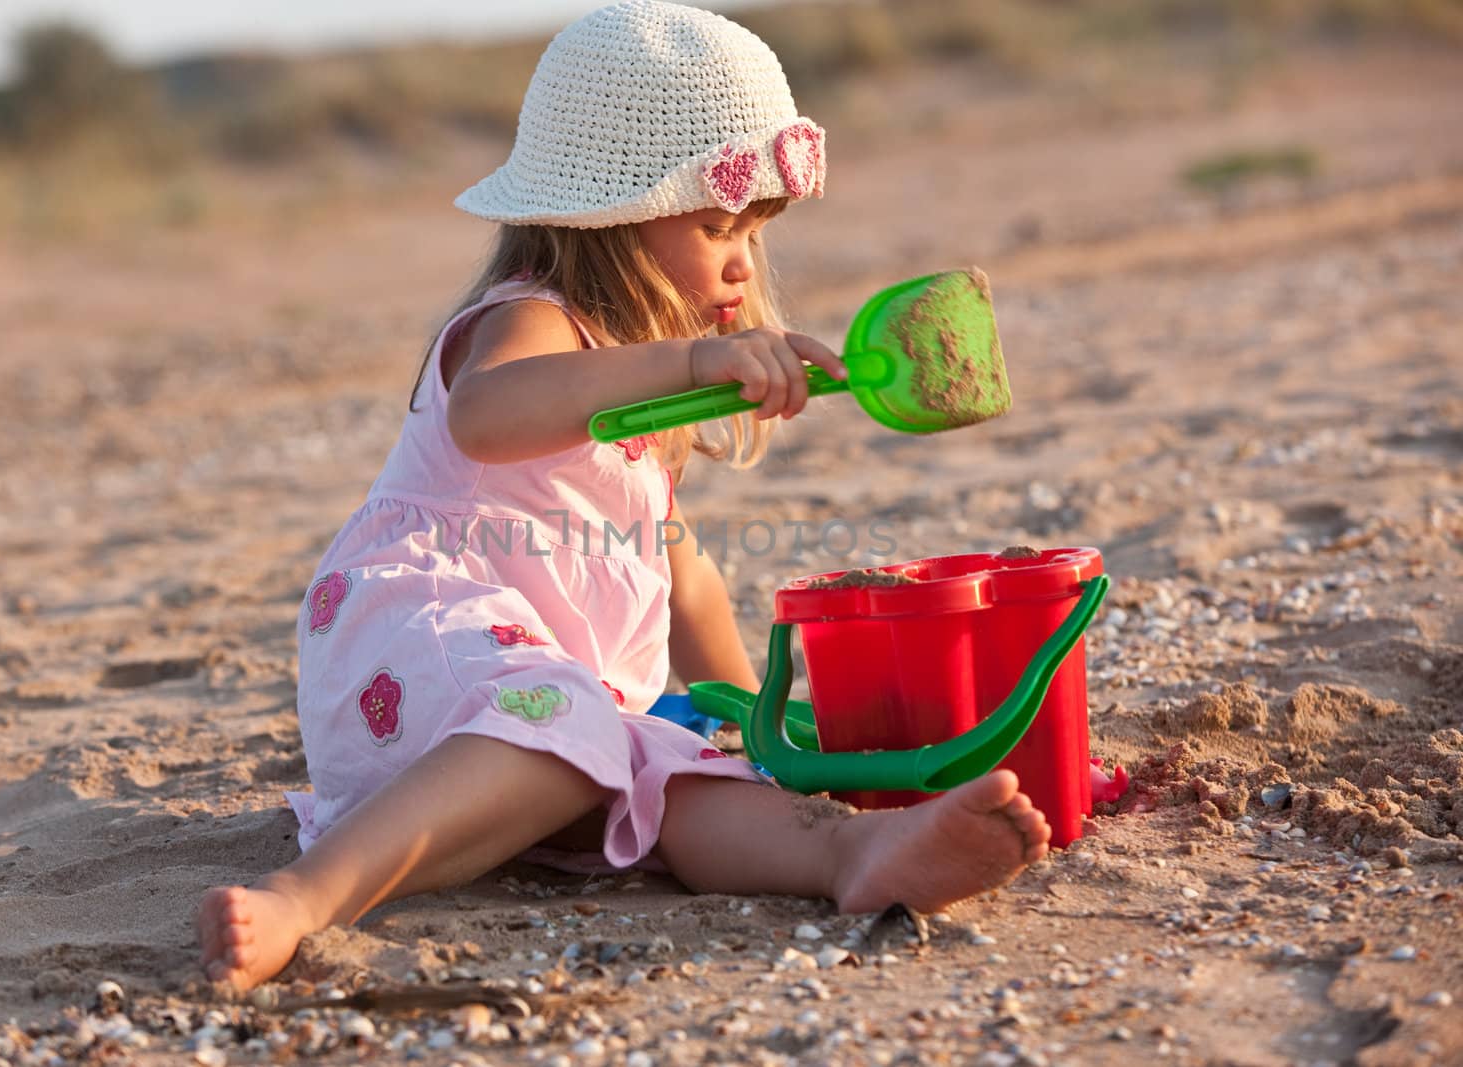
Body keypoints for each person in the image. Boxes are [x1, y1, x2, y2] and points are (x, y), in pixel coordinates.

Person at [198, 0, 1049, 990]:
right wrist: (687, 355)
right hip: (416, 636)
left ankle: (847, 853)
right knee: (572, 717)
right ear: (606, 219)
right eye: (716, 223)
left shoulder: (652, 407)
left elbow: (680, 576)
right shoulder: (527, 319)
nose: (743, 259)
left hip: (553, 710)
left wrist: (744, 733)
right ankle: (300, 898)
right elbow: (487, 415)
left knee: (680, 767)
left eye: (757, 231)